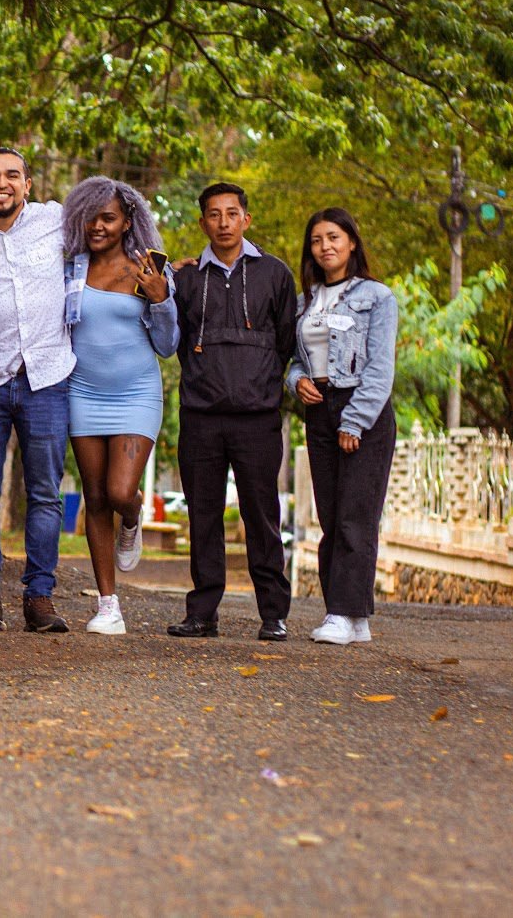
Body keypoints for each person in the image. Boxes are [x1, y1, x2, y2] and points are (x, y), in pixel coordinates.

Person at [167, 183, 297, 641]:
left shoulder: (276, 275)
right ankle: (202, 613)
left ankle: (273, 614)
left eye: (231, 213)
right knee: (202, 516)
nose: (223, 222)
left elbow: (287, 342)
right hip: (200, 415)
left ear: (246, 219)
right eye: (214, 215)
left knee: (262, 515)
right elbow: (171, 339)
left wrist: (260, 383)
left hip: (258, 418)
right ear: (203, 222)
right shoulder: (184, 279)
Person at [0, 148, 73, 633]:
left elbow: (116, 227)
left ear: (27, 184)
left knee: (45, 494)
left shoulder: (57, 221)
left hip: (46, 376)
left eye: (12, 176)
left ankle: (39, 598)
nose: (2, 184)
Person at [60, 176, 179, 635]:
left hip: (136, 395)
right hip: (82, 392)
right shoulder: (71, 267)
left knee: (118, 492)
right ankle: (108, 604)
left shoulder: (149, 270)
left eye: (108, 217)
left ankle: (133, 515)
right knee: (93, 497)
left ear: (127, 221)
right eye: (90, 217)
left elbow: (168, 346)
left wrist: (161, 299)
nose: (97, 225)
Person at [285, 208, 397, 646]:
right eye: (316, 240)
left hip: (361, 409)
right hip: (319, 410)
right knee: (332, 516)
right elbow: (296, 360)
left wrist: (355, 420)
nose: (325, 246)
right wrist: (297, 382)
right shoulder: (305, 302)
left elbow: (380, 368)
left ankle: (342, 613)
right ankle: (353, 617)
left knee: (356, 515)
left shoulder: (376, 296)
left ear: (352, 242)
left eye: (334, 237)